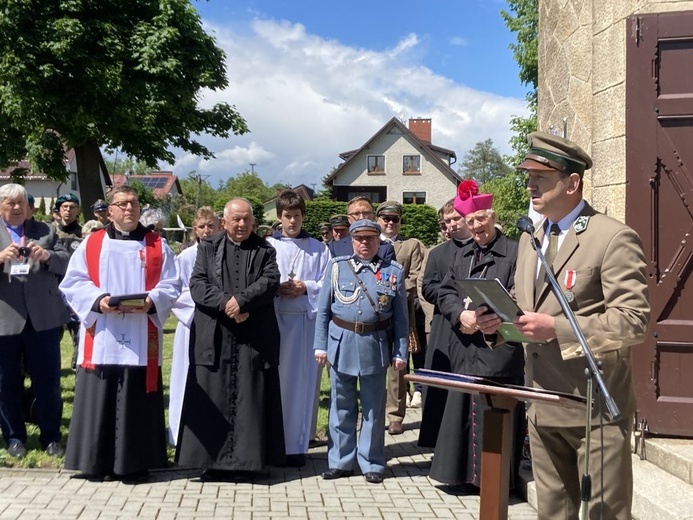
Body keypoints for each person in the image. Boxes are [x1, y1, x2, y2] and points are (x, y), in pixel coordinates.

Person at [476, 131, 650, 520]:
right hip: (542, 404)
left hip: (594, 409)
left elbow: (634, 321)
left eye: (542, 176)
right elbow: (527, 313)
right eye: (528, 176)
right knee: (553, 514)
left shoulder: (612, 237)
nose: (530, 184)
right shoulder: (530, 239)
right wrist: (495, 324)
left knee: (606, 514)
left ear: (572, 183)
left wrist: (557, 328)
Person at [59, 186, 180, 481]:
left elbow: (172, 283)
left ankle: (135, 464)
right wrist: (98, 300)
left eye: (134, 203)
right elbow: (73, 282)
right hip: (102, 331)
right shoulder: (92, 244)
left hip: (141, 331)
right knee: (101, 392)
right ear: (110, 211)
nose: (129, 209)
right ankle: (95, 463)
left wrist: (152, 301)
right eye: (122, 204)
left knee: (136, 395)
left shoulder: (157, 245)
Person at [176, 198, 286, 479]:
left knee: (251, 397)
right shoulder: (207, 246)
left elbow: (271, 281)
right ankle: (213, 463)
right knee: (213, 397)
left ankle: (249, 463)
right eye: (236, 219)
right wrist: (228, 303)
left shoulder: (265, 249)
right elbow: (197, 284)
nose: (241, 225)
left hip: (253, 335)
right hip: (216, 334)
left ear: (253, 221)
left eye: (246, 219)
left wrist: (243, 301)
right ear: (223, 222)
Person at [430, 180, 525, 490]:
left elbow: (521, 291)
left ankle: (493, 481)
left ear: (493, 217)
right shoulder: (463, 254)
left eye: (481, 219)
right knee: (462, 410)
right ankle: (460, 475)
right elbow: (445, 292)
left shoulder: (515, 250)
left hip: (499, 350)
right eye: (470, 221)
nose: (476, 226)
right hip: (466, 346)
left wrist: (496, 315)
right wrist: (461, 314)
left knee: (493, 413)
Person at [314, 219, 409, 484]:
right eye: (359, 239)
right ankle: (340, 461)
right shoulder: (336, 267)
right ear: (352, 241)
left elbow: (401, 318)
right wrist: (320, 345)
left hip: (374, 345)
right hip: (341, 342)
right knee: (340, 406)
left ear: (379, 241)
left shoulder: (393, 272)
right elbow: (323, 311)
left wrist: (401, 351)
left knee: (373, 410)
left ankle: (372, 462)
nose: (364, 243)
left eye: (370, 239)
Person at [0, 184, 70, 459]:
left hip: (43, 320)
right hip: (5, 321)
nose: (16, 208)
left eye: (21, 203)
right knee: (6, 383)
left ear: (29, 207)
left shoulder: (47, 231)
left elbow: (68, 263)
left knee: (48, 382)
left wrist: (48, 256)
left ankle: (51, 436)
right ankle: (14, 437)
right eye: (10, 203)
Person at [267, 190, 331, 467]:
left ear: (304, 216)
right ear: (279, 218)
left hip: (305, 323)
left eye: (296, 216)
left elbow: (327, 284)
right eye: (287, 216)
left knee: (303, 386)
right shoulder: (267, 246)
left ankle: (297, 446)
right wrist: (275, 288)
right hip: (274, 320)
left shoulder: (318, 248)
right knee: (274, 384)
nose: (292, 221)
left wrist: (306, 286)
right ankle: (271, 444)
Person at [417, 198, 473, 448]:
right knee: (440, 385)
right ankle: (436, 443)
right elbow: (427, 287)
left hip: (476, 330)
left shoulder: (482, 248)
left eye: (455, 219)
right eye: (446, 221)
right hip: (444, 326)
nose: (451, 225)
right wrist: (453, 297)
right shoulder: (438, 253)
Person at [168, 207, 220, 445]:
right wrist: (204, 306)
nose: (207, 231)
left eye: (211, 225)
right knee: (185, 375)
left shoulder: (225, 253)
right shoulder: (186, 257)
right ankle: (180, 432)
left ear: (219, 227)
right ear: (194, 230)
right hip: (193, 324)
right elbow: (175, 293)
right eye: (202, 226)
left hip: (219, 324)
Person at [375, 201, 425, 435]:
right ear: (378, 219)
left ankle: (395, 415)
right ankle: (374, 411)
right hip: (372, 314)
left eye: (394, 219)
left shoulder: (410, 246)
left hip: (400, 313)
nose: (390, 222)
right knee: (373, 364)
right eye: (385, 218)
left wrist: (390, 293)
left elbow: (415, 276)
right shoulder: (369, 243)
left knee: (397, 366)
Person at [328, 197, 395, 261]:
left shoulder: (386, 248)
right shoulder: (335, 247)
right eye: (356, 214)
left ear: (373, 216)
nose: (361, 217)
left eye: (366, 213)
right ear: (349, 219)